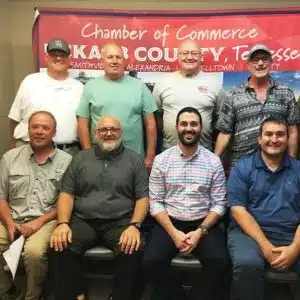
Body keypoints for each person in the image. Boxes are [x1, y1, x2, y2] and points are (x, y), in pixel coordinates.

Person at [47, 116, 149, 300]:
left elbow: (143, 198)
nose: (108, 133)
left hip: (121, 222)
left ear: (121, 133)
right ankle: (77, 293)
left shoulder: (135, 160)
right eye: (103, 130)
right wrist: (62, 223)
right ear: (95, 133)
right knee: (59, 245)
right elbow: (66, 194)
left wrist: (135, 226)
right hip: (83, 220)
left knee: (134, 248)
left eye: (113, 130)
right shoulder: (80, 158)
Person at [143, 107, 230, 300]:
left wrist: (200, 231)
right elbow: (155, 202)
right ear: (177, 128)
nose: (188, 128)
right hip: (169, 222)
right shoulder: (161, 160)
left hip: (204, 222)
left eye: (193, 124)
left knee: (219, 262)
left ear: (201, 128)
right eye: (184, 124)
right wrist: (173, 233)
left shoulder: (213, 161)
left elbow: (219, 204)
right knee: (151, 261)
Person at [0, 111, 72, 300]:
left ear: (54, 133)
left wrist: (39, 222)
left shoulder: (67, 161)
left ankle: (33, 297)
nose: (39, 131)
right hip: (11, 218)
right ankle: (7, 291)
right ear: (28, 130)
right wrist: (8, 224)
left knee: (34, 252)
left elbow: (67, 201)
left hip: (46, 220)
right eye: (35, 127)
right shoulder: (10, 157)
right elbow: (1, 196)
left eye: (45, 128)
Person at [227, 117, 300, 300]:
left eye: (280, 135)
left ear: (288, 138)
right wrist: (265, 246)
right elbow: (238, 211)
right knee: (247, 264)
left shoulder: (298, 170)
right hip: (249, 234)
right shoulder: (241, 168)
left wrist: (295, 248)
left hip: (292, 233)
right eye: (268, 134)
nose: (274, 139)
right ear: (259, 139)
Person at [215, 43, 299, 168]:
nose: (260, 63)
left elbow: (292, 130)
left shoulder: (286, 93)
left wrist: (292, 163)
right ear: (248, 65)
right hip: (241, 167)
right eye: (255, 60)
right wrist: (214, 161)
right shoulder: (233, 95)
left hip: (277, 167)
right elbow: (225, 133)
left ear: (271, 63)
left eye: (264, 59)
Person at [76, 42, 157, 170]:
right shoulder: (90, 87)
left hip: (134, 161)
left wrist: (150, 156)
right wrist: (88, 155)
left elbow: (150, 124)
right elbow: (82, 122)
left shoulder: (140, 87)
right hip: (99, 160)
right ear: (102, 61)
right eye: (110, 57)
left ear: (124, 61)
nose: (114, 61)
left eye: (118, 57)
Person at [8, 38, 83, 154]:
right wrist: (13, 145)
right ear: (46, 58)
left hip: (68, 152)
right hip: (29, 149)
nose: (58, 58)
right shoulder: (30, 81)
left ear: (69, 59)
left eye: (62, 55)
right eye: (54, 54)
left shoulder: (80, 87)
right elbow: (14, 118)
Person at [153, 40, 224, 151]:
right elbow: (156, 116)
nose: (189, 57)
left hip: (204, 153)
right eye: (185, 53)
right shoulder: (163, 82)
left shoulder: (214, 83)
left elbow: (219, 119)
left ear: (201, 56)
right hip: (170, 152)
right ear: (178, 56)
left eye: (194, 53)